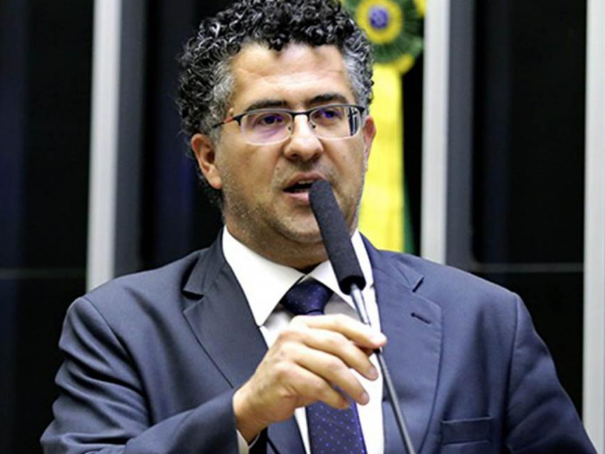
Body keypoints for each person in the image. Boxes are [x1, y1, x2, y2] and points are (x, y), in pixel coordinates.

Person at [42, 1, 596, 453]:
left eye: (329, 114)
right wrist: (243, 414)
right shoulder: (122, 327)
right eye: (269, 119)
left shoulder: (484, 320)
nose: (305, 144)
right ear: (209, 158)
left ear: (366, 141)